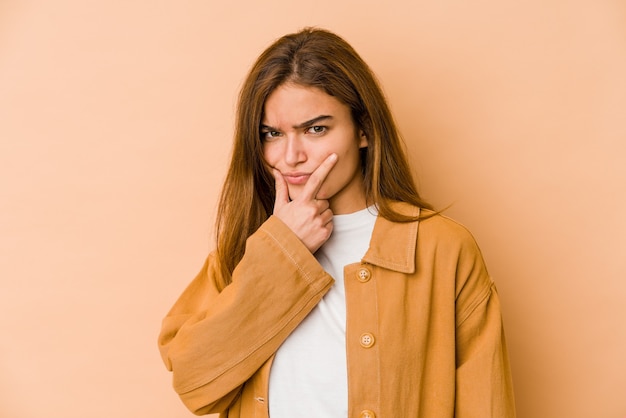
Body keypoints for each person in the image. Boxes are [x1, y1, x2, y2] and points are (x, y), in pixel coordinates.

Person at [158, 27, 515, 418]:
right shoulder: (245, 251)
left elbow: (487, 405)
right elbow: (194, 383)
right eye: (272, 134)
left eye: (315, 129)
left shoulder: (441, 249)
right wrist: (282, 252)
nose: (291, 155)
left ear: (363, 129)